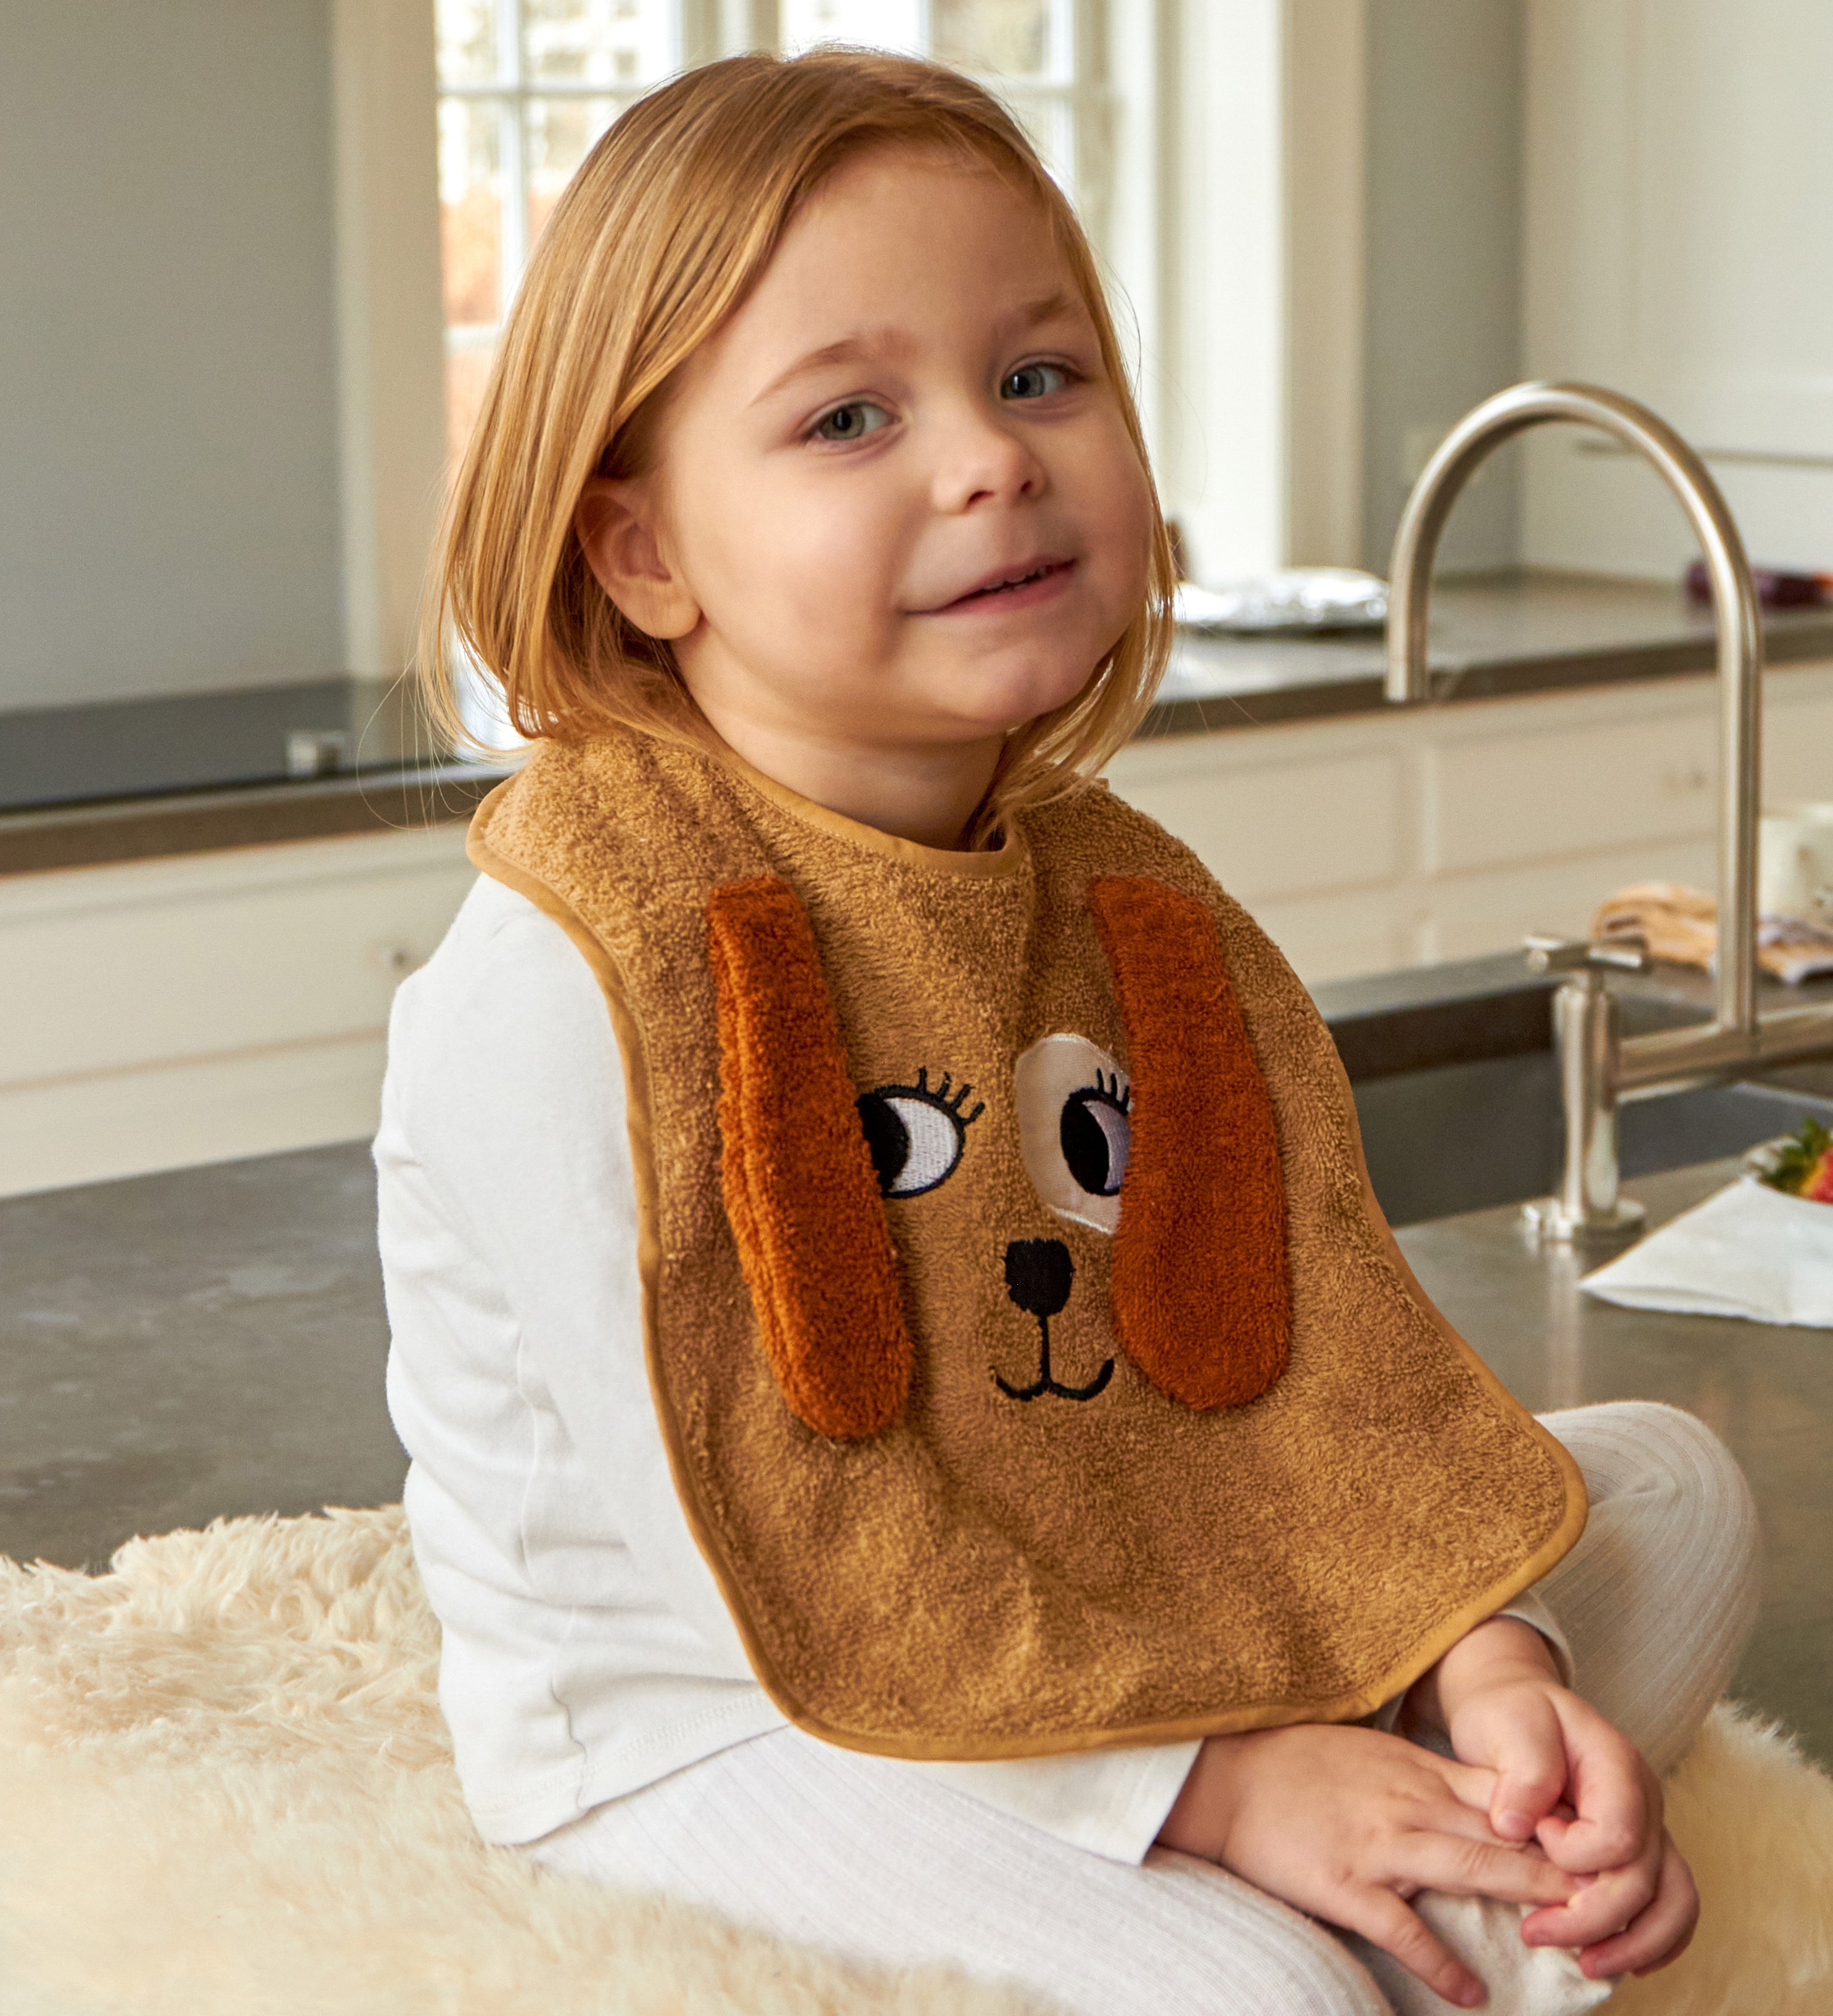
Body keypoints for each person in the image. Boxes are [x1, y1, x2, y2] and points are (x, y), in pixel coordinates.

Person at [377, 51, 1760, 2016]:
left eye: (1038, 376)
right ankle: (1452, 1924)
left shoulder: (1129, 899)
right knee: (1266, 1992)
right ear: (643, 556)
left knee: (1667, 1495)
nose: (991, 459)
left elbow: (1333, 1348)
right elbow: (783, 1532)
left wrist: (1492, 1663)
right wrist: (1209, 1787)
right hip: (730, 1707)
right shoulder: (575, 978)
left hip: (1079, 1553)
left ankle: (1463, 1866)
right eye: (851, 416)